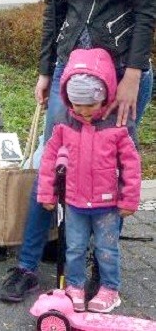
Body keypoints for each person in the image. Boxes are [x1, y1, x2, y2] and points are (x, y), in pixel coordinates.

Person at [0, 0, 155, 303]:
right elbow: (55, 10)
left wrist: (134, 73)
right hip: (70, 67)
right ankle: (28, 264)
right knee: (54, 159)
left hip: (122, 67)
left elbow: (147, 6)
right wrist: (47, 70)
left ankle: (97, 265)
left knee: (112, 165)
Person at [37, 48, 141, 313]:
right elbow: (50, 161)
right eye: (77, 106)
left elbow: (131, 164)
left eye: (90, 106)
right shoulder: (65, 125)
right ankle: (75, 287)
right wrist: (47, 193)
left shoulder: (117, 127)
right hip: (74, 203)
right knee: (74, 248)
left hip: (107, 205)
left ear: (105, 96)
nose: (83, 113)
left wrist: (129, 198)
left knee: (107, 249)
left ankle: (109, 288)